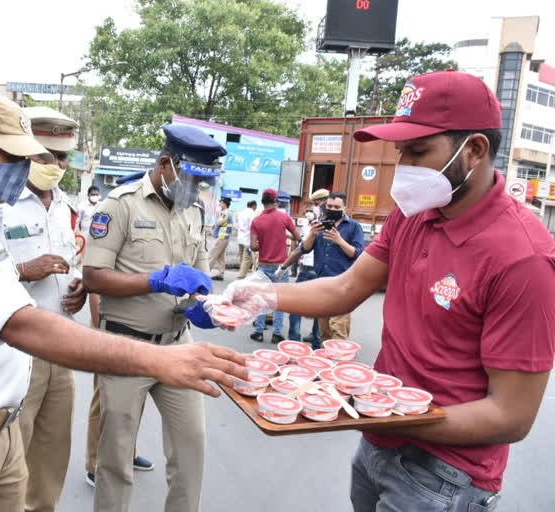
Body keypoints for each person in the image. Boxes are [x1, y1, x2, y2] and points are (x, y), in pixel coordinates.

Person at [0, 89, 245, 512]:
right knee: (115, 459)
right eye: (13, 156)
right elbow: (21, 323)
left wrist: (206, 305)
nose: (27, 169)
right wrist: (158, 356)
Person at [222, 70, 555, 511]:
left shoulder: (523, 257)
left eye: (418, 151)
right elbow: (346, 287)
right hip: (378, 446)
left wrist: (385, 409)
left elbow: (511, 416)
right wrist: (263, 295)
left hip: (445, 475)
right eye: (401, 153)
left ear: (474, 149)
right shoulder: (413, 214)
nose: (404, 169)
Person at [83, 124, 225, 512]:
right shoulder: (120, 204)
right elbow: (93, 276)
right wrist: (153, 280)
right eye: (192, 181)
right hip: (126, 346)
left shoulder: (193, 209)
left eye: (202, 185)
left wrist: (207, 306)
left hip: (178, 345)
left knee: (191, 448)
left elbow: (199, 277)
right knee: (115, 457)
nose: (196, 192)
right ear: (167, 164)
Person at [1, 106, 85, 512]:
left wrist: (82, 290)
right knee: (10, 457)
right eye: (44, 155)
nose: (55, 165)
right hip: (17, 353)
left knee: (52, 455)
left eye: (62, 157)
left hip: (61, 350)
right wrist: (20, 270)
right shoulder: (0, 206)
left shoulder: (69, 209)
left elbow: (77, 264)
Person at [83, 168, 155, 488]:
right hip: (111, 324)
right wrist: (99, 327)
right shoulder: (109, 214)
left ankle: (128, 450)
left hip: (138, 325)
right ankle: (94, 463)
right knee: (106, 401)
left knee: (132, 400)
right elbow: (96, 279)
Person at [288, 191, 364, 341]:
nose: (332, 209)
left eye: (337, 207)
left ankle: (339, 361)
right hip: (322, 283)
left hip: (343, 286)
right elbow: (305, 248)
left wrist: (339, 240)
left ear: (344, 207)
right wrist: (312, 234)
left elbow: (357, 254)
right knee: (324, 333)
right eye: (329, 206)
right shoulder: (320, 224)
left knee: (338, 332)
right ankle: (325, 362)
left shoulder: (354, 227)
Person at [248, 188, 301, 344]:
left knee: (262, 299)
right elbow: (298, 238)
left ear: (262, 202)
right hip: (281, 267)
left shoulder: (256, 221)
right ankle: (276, 334)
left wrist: (264, 243)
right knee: (279, 300)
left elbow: (253, 246)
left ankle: (258, 332)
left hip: (263, 266)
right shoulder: (284, 217)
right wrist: (283, 235)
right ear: (276, 202)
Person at [279, 206, 321, 348]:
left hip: (316, 270)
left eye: (312, 212)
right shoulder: (306, 227)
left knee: (319, 307)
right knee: (296, 305)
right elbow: (300, 246)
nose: (309, 214)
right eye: (307, 212)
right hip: (305, 268)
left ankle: (313, 338)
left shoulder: (321, 228)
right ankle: (295, 338)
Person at [208, 196, 233, 280]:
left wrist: (217, 216)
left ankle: (205, 272)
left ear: (225, 204)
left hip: (222, 237)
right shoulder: (227, 212)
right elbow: (221, 223)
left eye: (221, 203)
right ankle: (221, 273)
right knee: (220, 256)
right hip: (224, 237)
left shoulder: (225, 213)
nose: (219, 204)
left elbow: (219, 222)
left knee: (213, 254)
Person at [235, 200, 258, 278]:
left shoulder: (241, 213)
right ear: (254, 206)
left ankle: (241, 274)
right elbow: (253, 227)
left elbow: (238, 224)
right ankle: (240, 277)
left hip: (240, 238)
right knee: (247, 259)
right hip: (247, 239)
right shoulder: (252, 213)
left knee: (242, 259)